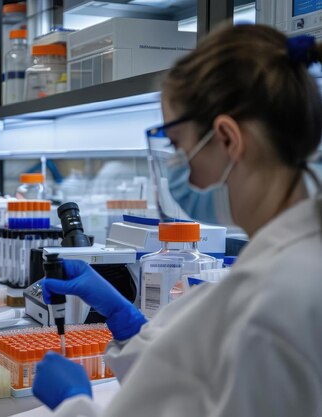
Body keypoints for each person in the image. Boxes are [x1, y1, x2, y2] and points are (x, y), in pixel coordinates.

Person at [32, 24, 322, 416]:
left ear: (227, 139)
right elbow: (200, 376)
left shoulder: (276, 300)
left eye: (178, 147)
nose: (179, 173)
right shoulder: (285, 261)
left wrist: (74, 406)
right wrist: (129, 323)